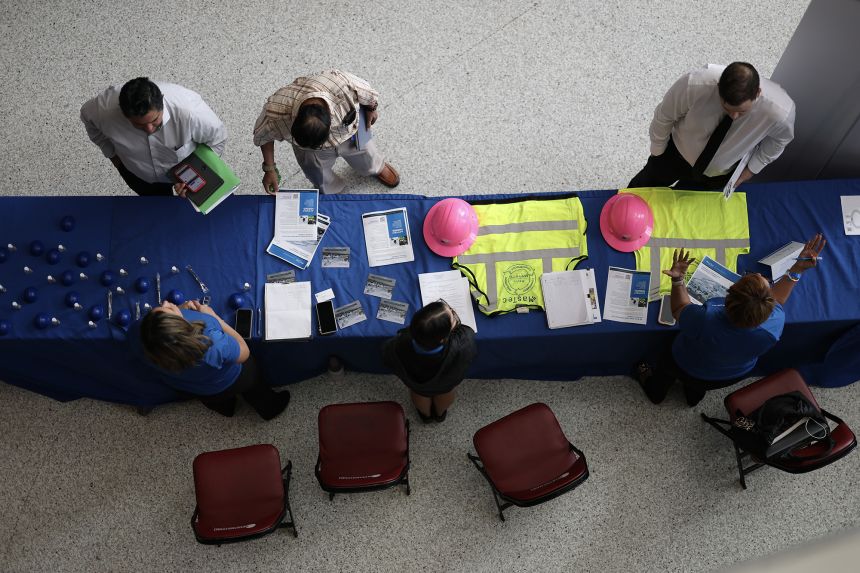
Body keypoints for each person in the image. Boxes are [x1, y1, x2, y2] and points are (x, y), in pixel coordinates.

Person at [635, 234, 826, 407]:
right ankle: (692, 399)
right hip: (728, 375)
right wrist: (796, 269)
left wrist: (678, 280)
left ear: (727, 297)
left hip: (685, 363)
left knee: (665, 372)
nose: (760, 274)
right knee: (697, 388)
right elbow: (778, 299)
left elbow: (678, 309)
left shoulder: (706, 318)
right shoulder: (773, 323)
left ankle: (656, 393)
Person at [628, 62, 795, 191]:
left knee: (682, 212)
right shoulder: (695, 83)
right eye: (727, 108)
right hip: (674, 154)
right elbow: (664, 115)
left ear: (757, 93)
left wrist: (750, 170)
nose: (733, 116)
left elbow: (780, 140)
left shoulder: (780, 112)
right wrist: (657, 153)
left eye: (741, 111)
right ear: (718, 88)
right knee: (642, 188)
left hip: (716, 176)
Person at [130, 300, 289, 419]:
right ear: (179, 325)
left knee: (216, 400)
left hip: (194, 387)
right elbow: (244, 352)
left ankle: (228, 410)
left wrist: (178, 312)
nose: (166, 302)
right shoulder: (212, 341)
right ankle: (269, 408)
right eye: (167, 309)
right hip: (233, 378)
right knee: (254, 384)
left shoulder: (139, 333)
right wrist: (216, 318)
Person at [253, 69, 400, 195]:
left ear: (330, 117)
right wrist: (269, 169)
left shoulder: (342, 84)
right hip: (307, 149)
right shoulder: (274, 113)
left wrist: (371, 109)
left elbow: (367, 92)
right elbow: (264, 137)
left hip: (348, 134)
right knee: (317, 171)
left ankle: (374, 168)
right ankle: (332, 190)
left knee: (367, 152)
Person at [81, 77, 227, 197]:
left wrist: (198, 173)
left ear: (161, 103)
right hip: (139, 176)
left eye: (154, 120)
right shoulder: (102, 110)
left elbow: (217, 139)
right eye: (139, 125)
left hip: (187, 173)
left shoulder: (190, 111)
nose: (149, 129)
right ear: (124, 114)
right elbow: (87, 117)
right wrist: (114, 157)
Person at [382, 300, 477, 423]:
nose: (454, 314)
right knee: (445, 393)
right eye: (453, 316)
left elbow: (387, 356)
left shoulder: (398, 344)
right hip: (446, 384)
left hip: (417, 384)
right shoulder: (462, 344)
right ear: (443, 339)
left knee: (419, 394)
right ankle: (440, 415)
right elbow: (470, 349)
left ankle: (425, 416)